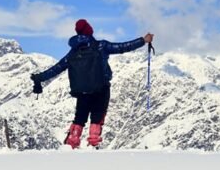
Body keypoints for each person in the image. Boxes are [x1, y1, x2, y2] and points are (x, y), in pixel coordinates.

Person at [31, 19, 153, 149]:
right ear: (90, 31)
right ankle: (93, 143)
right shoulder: (101, 46)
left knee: (79, 118)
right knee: (97, 116)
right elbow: (123, 47)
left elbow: (56, 68)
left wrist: (39, 78)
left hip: (82, 91)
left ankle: (72, 142)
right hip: (101, 88)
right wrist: (143, 40)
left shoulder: (73, 52)